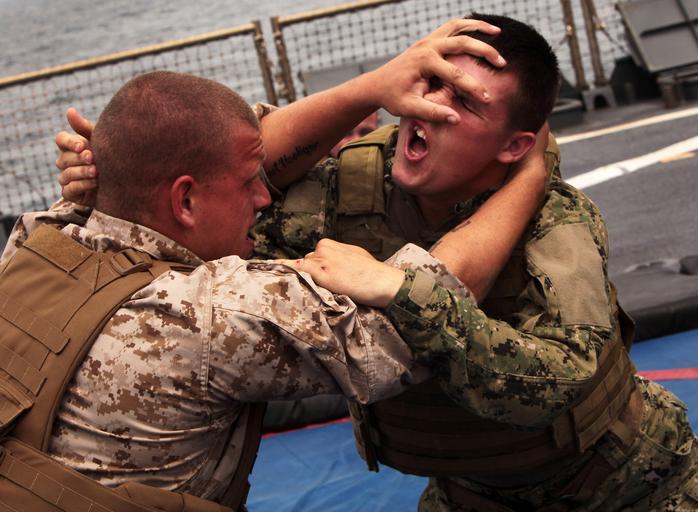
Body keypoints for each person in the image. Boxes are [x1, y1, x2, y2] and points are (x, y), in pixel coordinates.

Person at [58, 13, 698, 511]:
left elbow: (555, 386)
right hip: (469, 495)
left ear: (516, 146)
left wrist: (405, 292)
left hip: (624, 487)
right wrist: (114, 178)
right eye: (431, 83)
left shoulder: (557, 223)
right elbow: (222, 188)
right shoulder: (353, 187)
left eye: (466, 103)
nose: (430, 108)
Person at [1, 19, 546, 512]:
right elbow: (415, 318)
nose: (265, 198)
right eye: (248, 184)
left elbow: (204, 154)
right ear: (184, 200)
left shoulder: (38, 238)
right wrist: (530, 175)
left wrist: (373, 87)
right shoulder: (209, 314)